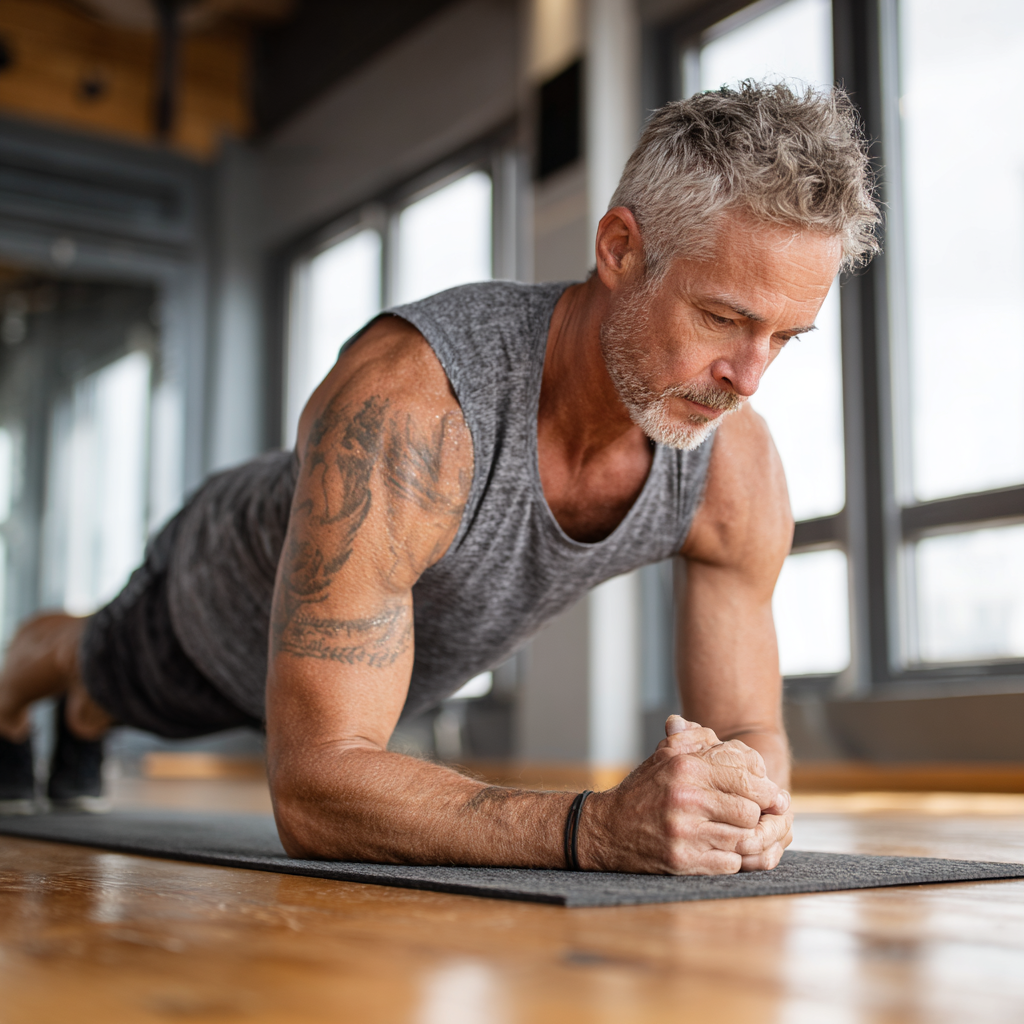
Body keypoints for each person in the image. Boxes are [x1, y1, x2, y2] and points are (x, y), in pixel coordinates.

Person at [0, 82, 878, 873]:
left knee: (103, 703)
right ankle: (27, 697)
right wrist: (594, 829)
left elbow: (750, 733)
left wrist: (746, 809)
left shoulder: (734, 464)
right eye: (724, 317)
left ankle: (84, 721)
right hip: (212, 603)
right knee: (106, 665)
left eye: (785, 338)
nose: (750, 376)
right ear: (619, 248)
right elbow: (313, 790)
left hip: (350, 670)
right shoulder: (416, 407)